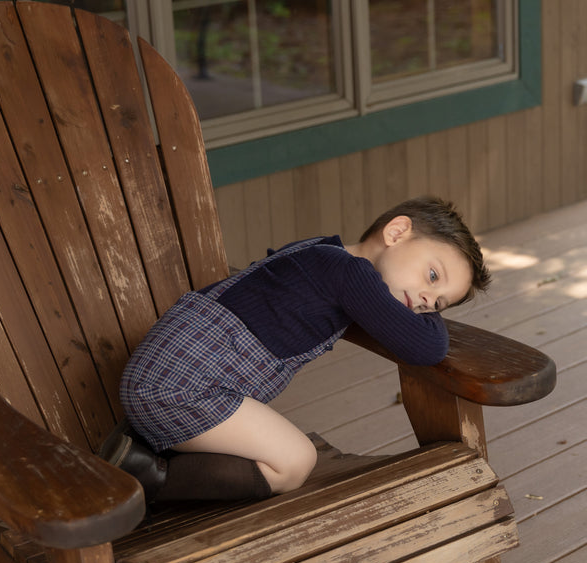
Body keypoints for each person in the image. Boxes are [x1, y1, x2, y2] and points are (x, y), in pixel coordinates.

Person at [100, 196, 491, 503]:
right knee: (293, 463)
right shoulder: (350, 275)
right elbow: (427, 346)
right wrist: (428, 320)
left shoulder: (323, 251)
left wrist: (422, 295)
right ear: (397, 232)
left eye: (438, 304)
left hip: (170, 374)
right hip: (183, 387)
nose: (426, 299)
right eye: (433, 275)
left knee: (275, 450)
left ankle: (144, 450)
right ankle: (143, 480)